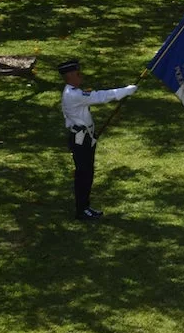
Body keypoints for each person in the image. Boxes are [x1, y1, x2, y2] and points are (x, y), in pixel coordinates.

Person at [58, 59, 138, 220]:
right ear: (70, 76)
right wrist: (124, 91)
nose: (81, 76)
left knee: (87, 173)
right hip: (81, 141)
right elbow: (100, 96)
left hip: (85, 138)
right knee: (84, 175)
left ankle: (85, 207)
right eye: (78, 73)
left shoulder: (73, 92)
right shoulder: (74, 95)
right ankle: (82, 210)